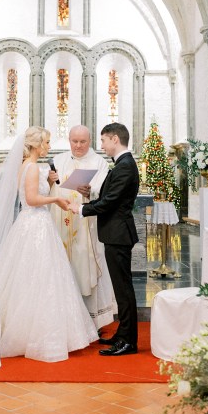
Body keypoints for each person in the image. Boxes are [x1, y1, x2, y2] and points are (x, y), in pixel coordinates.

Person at [0, 126, 97, 363]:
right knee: (36, 276)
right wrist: (56, 198)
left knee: (37, 277)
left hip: (36, 223)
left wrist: (50, 184)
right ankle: (33, 334)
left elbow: (36, 195)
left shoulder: (31, 167)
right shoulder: (31, 168)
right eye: (47, 142)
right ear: (37, 145)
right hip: (35, 224)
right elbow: (31, 200)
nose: (49, 147)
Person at [68, 123, 139, 356]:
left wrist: (81, 209)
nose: (102, 145)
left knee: (124, 289)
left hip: (118, 234)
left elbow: (110, 203)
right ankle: (123, 334)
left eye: (104, 140)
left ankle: (128, 341)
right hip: (114, 232)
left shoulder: (125, 166)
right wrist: (90, 195)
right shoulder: (121, 165)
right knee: (121, 289)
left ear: (115, 139)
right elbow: (109, 196)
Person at [49, 125, 117, 330]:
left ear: (90, 141)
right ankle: (61, 317)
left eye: (83, 142)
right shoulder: (58, 160)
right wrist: (48, 179)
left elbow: (103, 193)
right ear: (69, 140)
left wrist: (90, 192)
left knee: (85, 264)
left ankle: (91, 320)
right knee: (60, 263)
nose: (78, 146)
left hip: (86, 224)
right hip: (59, 223)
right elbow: (49, 188)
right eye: (74, 141)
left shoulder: (99, 162)